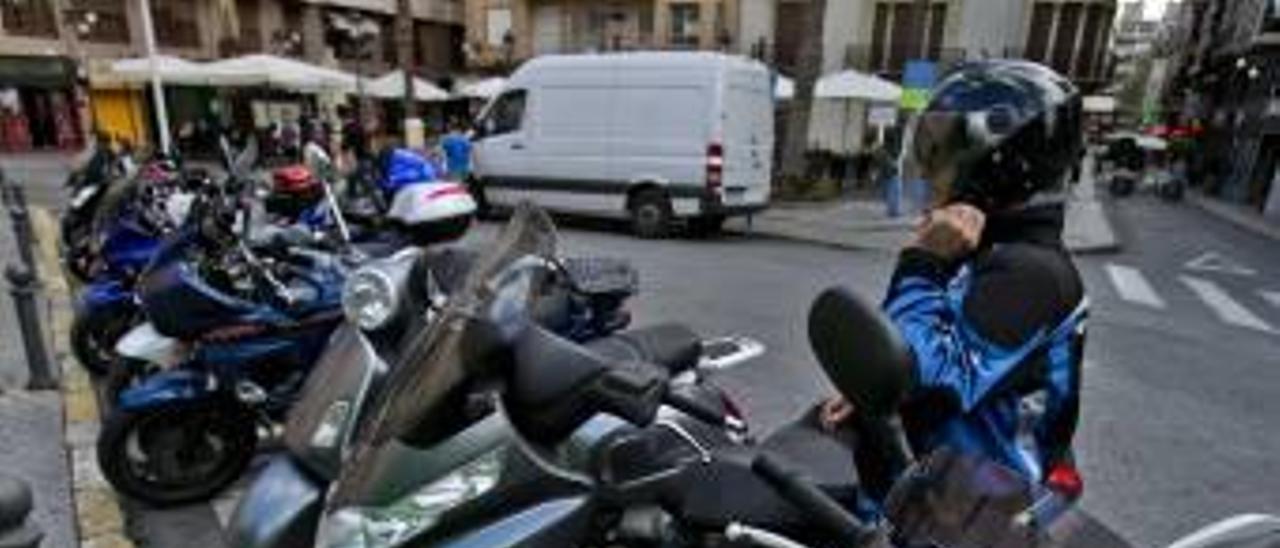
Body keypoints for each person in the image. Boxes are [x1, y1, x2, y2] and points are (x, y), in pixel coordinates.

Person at [820, 60, 1089, 500]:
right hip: (943, 489)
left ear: (1001, 158)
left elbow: (924, 375)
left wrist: (922, 262)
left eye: (943, 150)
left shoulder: (1029, 273)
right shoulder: (990, 251)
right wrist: (870, 394)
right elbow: (927, 353)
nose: (928, 168)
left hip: (975, 518)